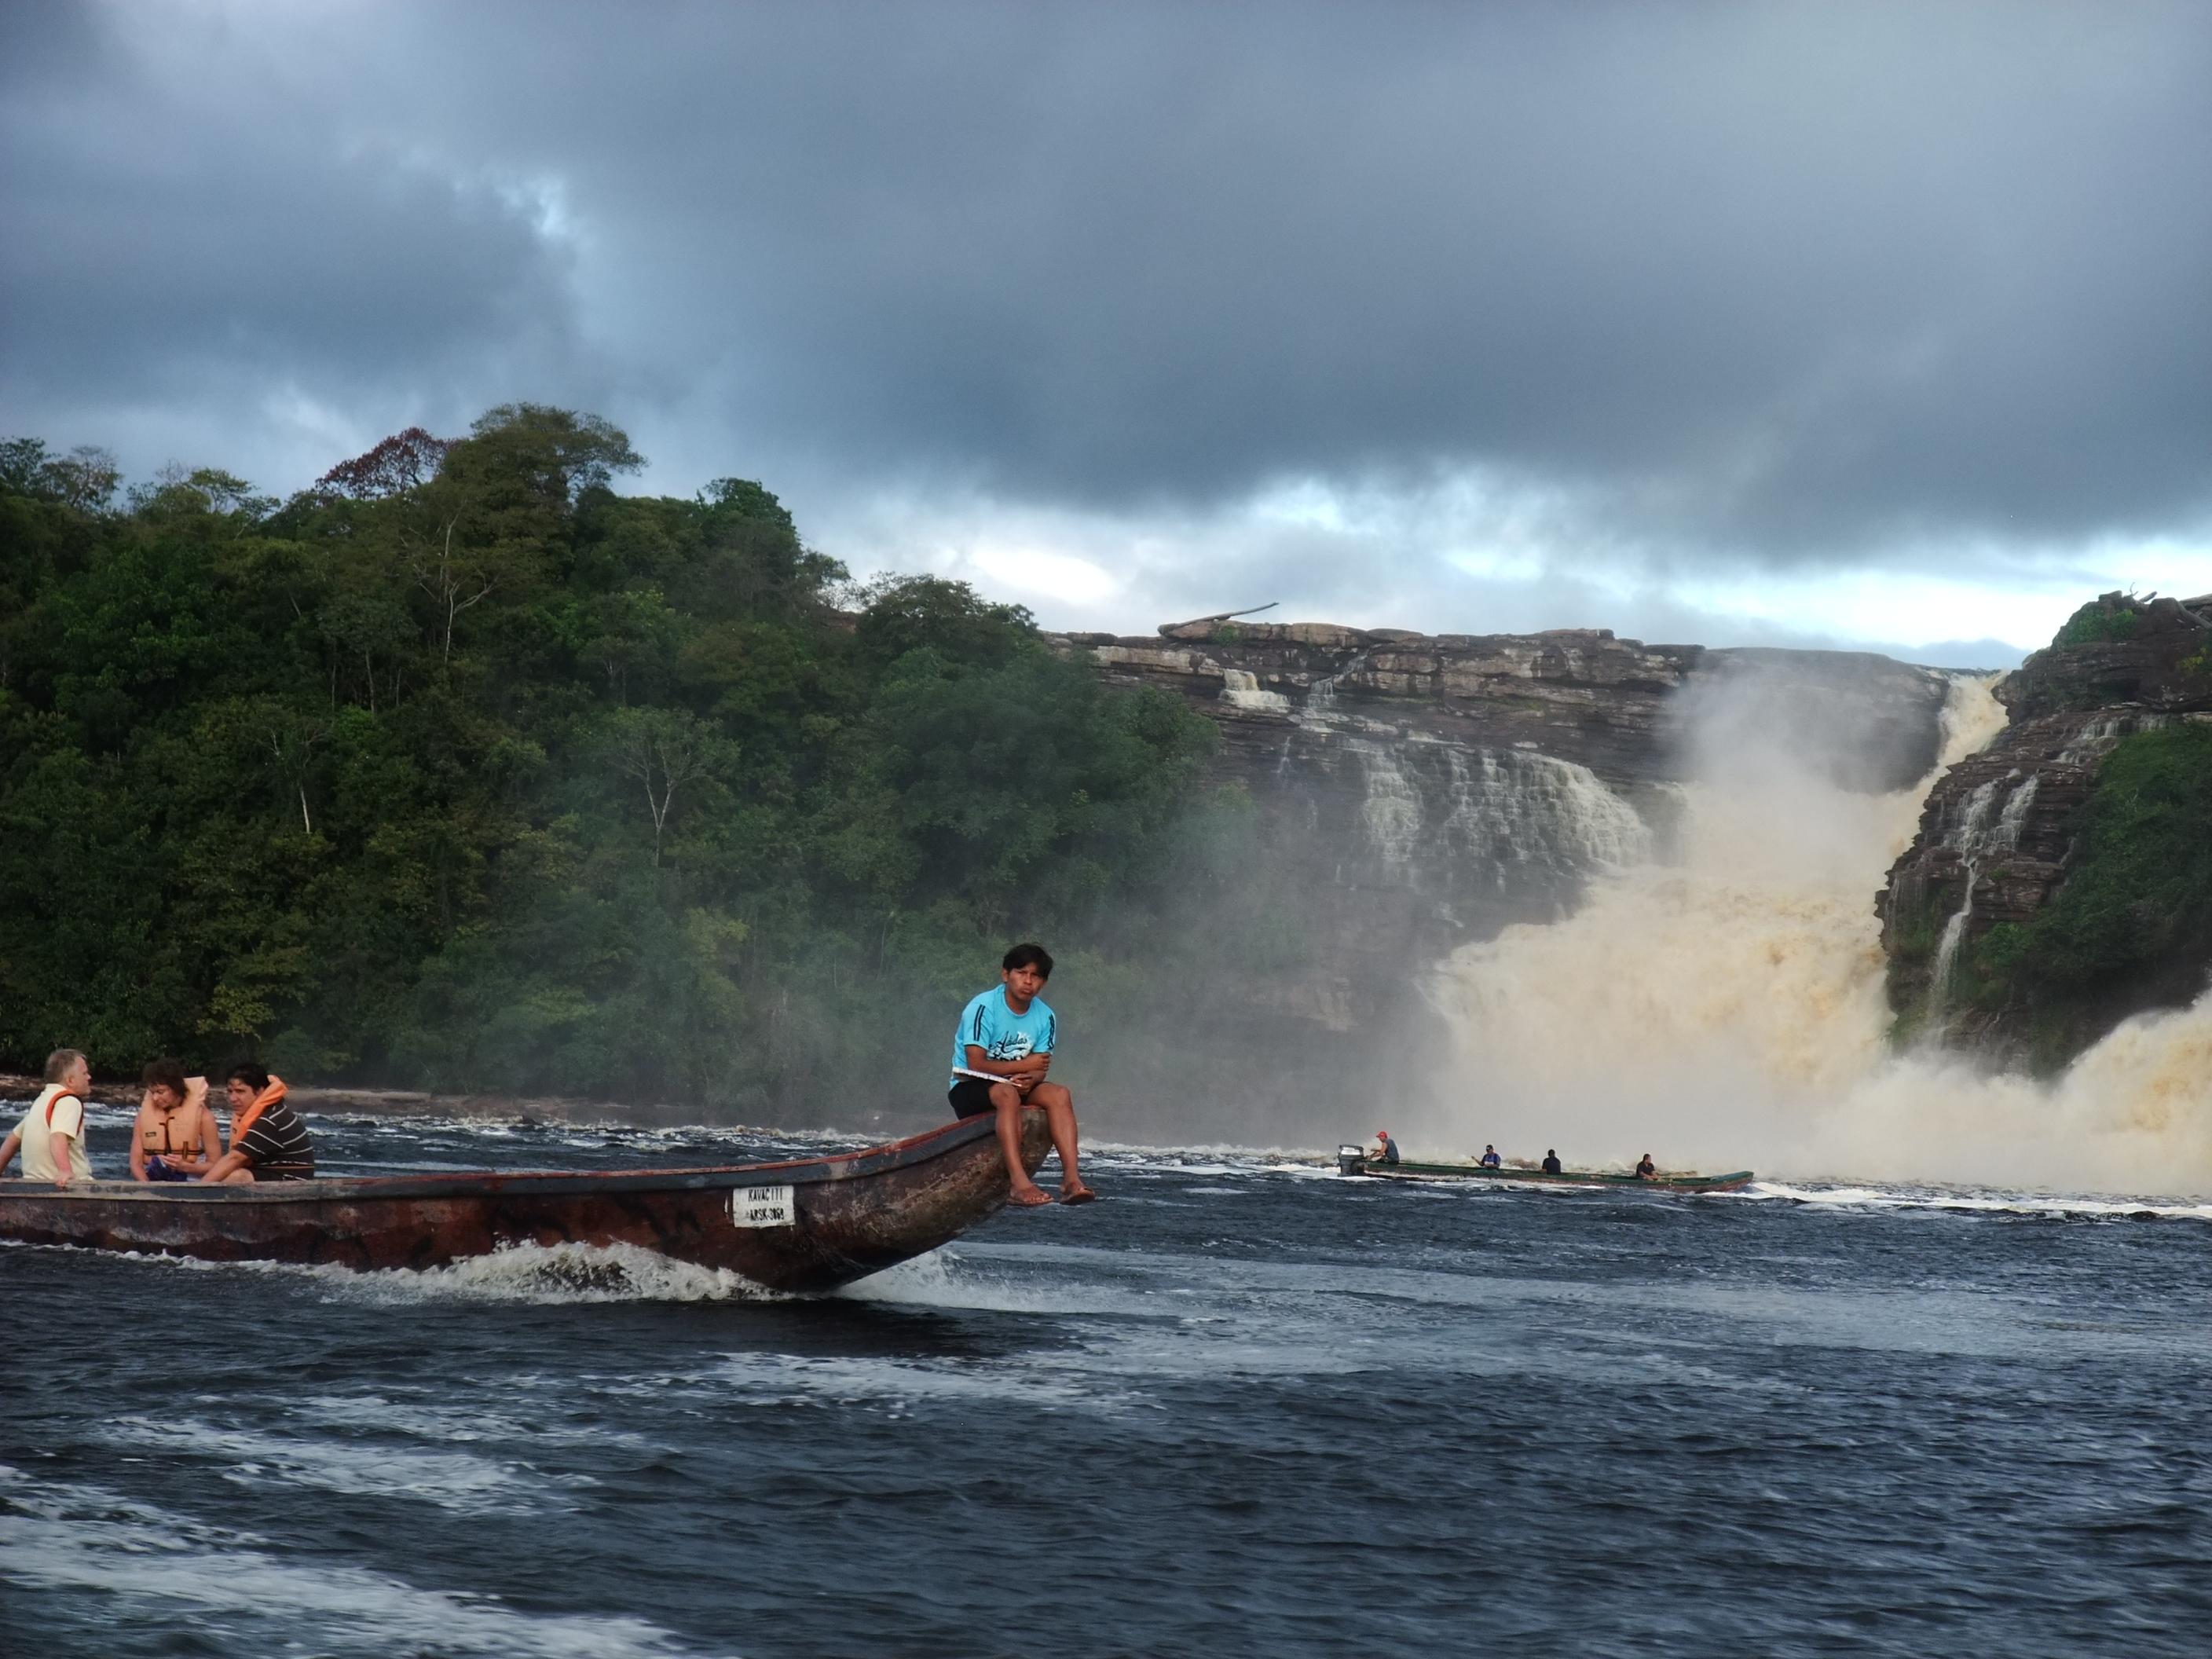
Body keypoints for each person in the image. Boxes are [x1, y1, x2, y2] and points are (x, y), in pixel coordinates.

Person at [947, 943, 1093, 1207]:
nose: (1028, 981)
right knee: (1007, 1093)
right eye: (1021, 972)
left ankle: (1071, 1181)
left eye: (1036, 976)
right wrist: (1024, 1066)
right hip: (971, 1087)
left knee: (1060, 1094)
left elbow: (1039, 1067)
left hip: (1019, 1084)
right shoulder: (983, 1007)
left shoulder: (1045, 1016)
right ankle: (1018, 1183)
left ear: (1043, 983)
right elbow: (975, 1063)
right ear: (1006, 975)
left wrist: (1033, 1078)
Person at [199, 1063, 316, 1184]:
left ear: (260, 1091)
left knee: (236, 1176)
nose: (233, 1098)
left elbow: (235, 1158)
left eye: (240, 1091)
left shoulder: (270, 1120)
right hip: (269, 1173)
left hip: (292, 1181)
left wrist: (198, 1191)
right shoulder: (270, 1111)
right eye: (230, 1091)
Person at [0, 1049, 96, 1188]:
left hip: (32, 1185)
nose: (89, 1077)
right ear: (70, 1080)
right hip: (66, 1186)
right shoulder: (69, 1100)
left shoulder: (42, 1101)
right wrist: (65, 1171)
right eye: (84, 1073)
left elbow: (13, 1139)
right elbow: (57, 1136)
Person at [131, 1060, 220, 1182]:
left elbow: (215, 1164)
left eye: (161, 1092)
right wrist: (146, 1186)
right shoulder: (142, 1117)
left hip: (190, 1177)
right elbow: (136, 1163)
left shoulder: (204, 1117)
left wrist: (185, 1167)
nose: (155, 1098)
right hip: (152, 1178)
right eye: (152, 1093)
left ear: (176, 1088)